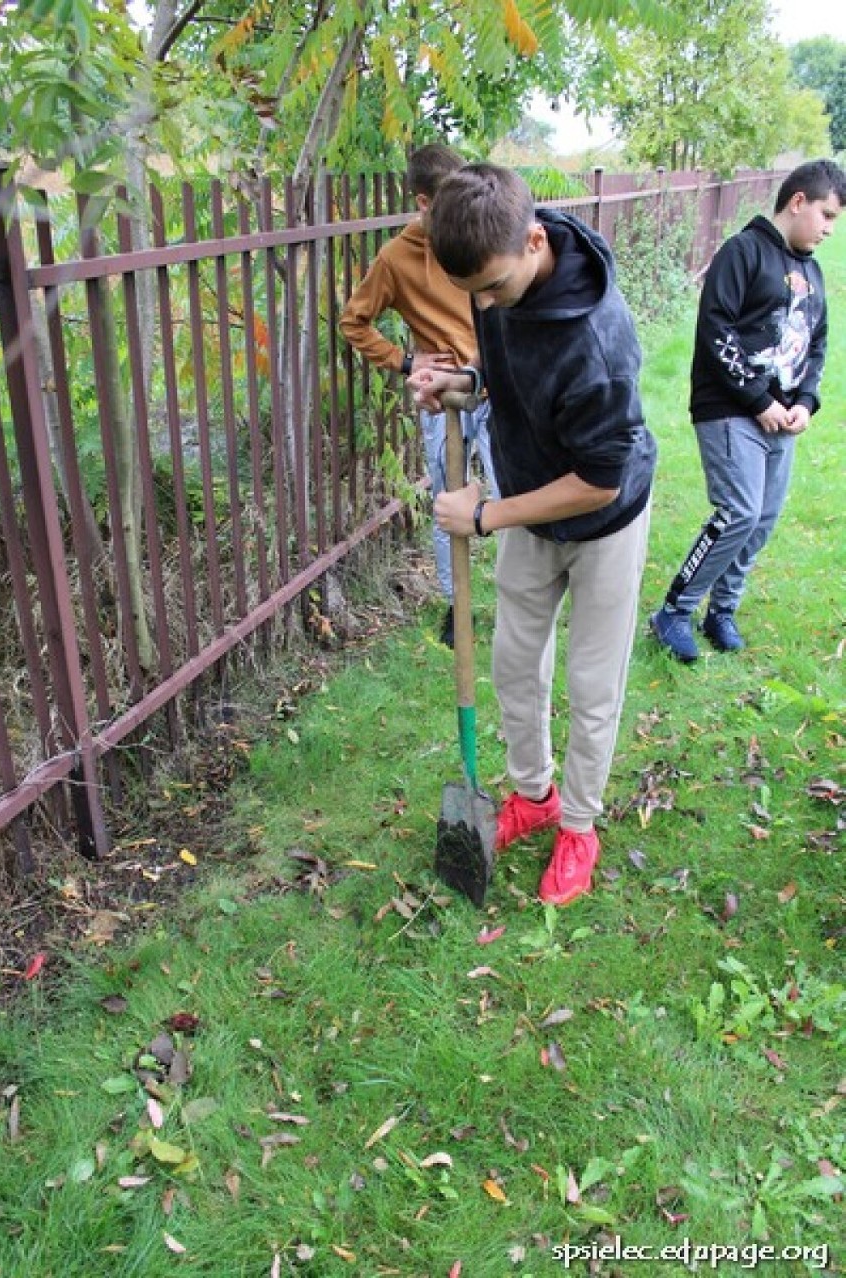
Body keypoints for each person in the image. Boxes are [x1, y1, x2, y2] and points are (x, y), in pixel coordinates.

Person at [409, 163, 656, 906]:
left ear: (537, 242)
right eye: (473, 291)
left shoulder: (599, 346)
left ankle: (577, 823)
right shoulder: (497, 251)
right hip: (528, 500)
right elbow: (510, 366)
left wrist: (485, 515)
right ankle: (534, 793)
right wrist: (463, 381)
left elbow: (599, 480)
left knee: (590, 682)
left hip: (602, 520)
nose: (483, 303)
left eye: (492, 288)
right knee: (516, 662)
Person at [650, 158, 846, 662]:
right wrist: (759, 401)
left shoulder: (813, 271)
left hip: (783, 417)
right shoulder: (743, 252)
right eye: (826, 215)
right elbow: (716, 329)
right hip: (731, 409)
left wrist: (805, 402)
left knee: (763, 518)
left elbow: (816, 344)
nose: (829, 228)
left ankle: (723, 610)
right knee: (738, 511)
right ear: (798, 201)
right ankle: (675, 609)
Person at [340, 143, 498, 649]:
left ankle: (524, 595)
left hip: (495, 385)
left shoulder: (474, 238)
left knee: (515, 490)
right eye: (448, 204)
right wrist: (406, 362)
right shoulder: (396, 259)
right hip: (443, 400)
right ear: (424, 202)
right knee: (447, 502)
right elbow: (353, 321)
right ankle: (459, 604)